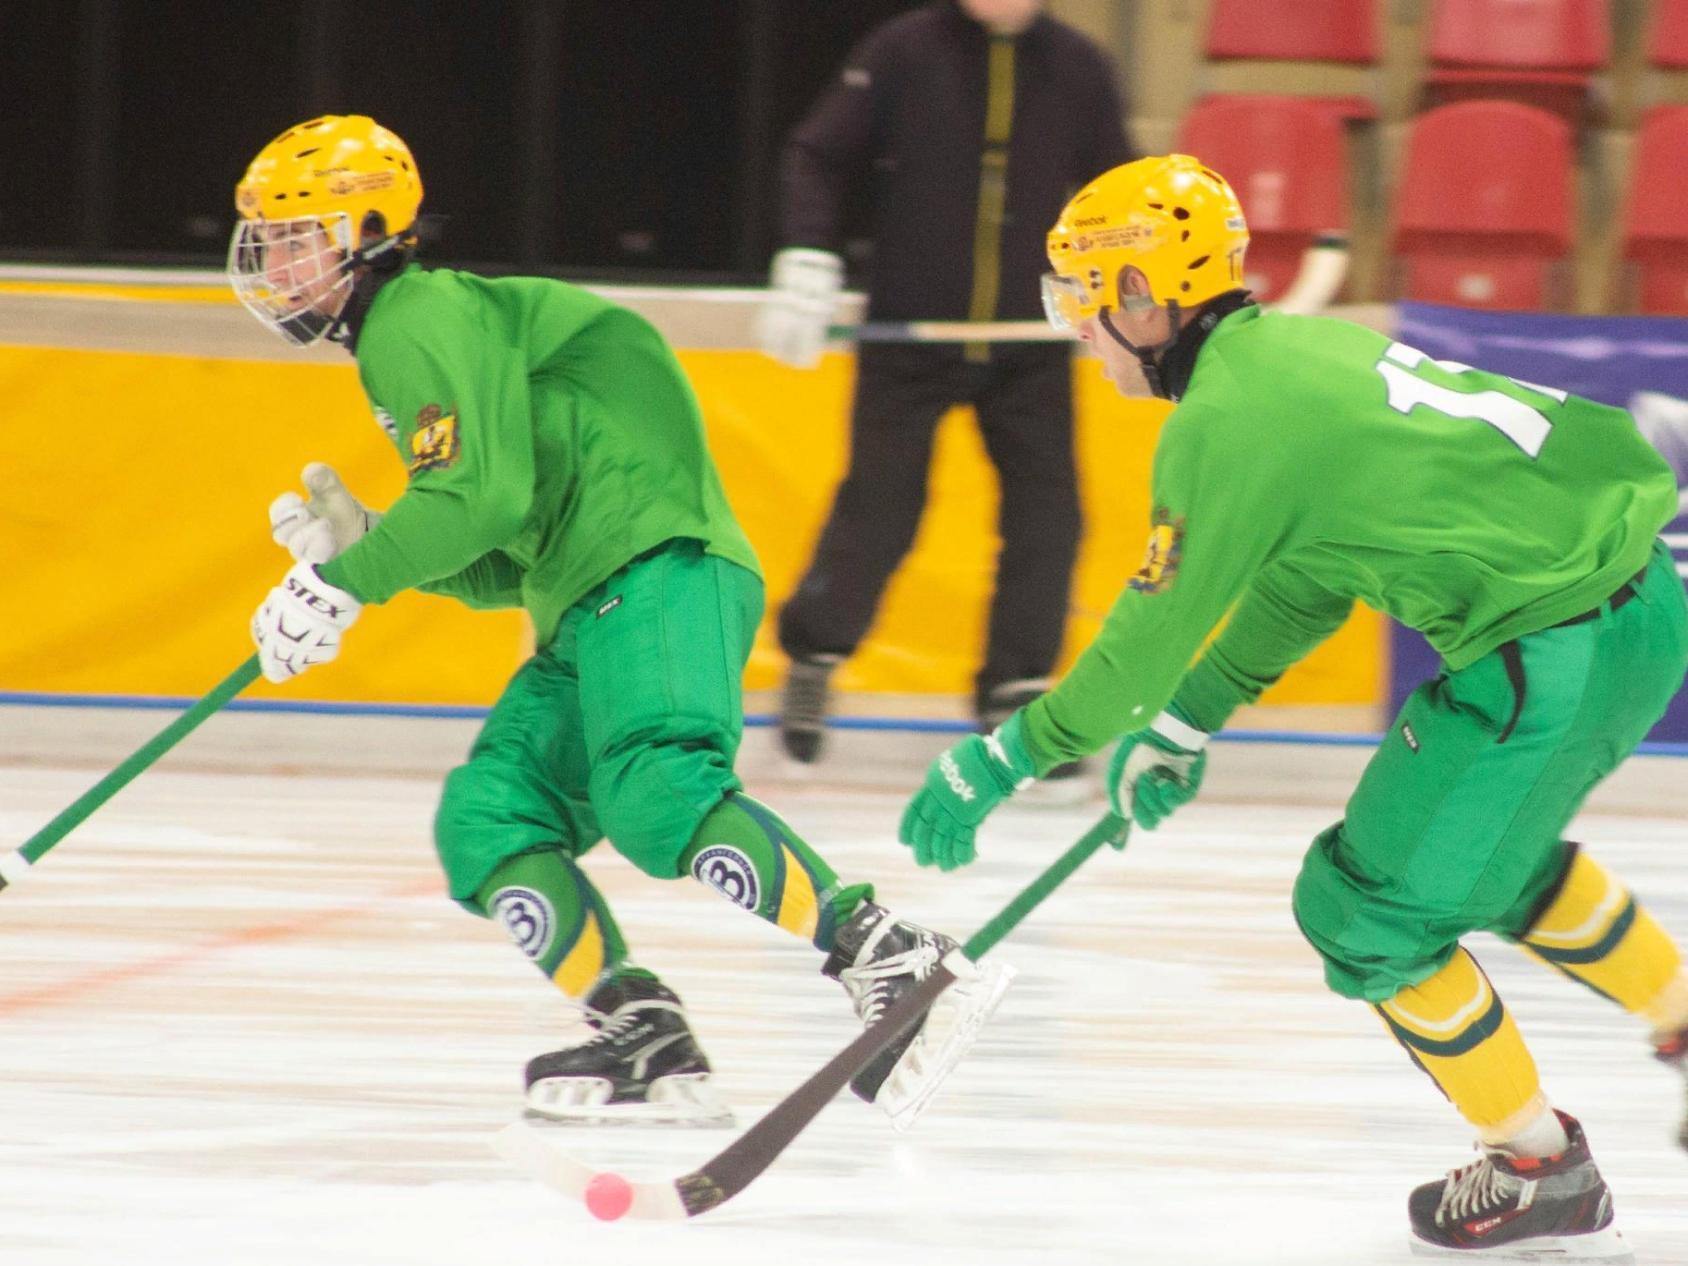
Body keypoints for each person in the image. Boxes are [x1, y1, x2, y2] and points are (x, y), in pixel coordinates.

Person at [897, 154, 1688, 1258]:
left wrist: (1002, 757)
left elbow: (1134, 651)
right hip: (1639, 611)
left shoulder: (1220, 419)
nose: (1072, 322)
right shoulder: (1302, 351)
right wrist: (1187, 722)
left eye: (1080, 293)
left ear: (1142, 294)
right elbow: (1313, 570)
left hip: (1541, 657)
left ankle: (1538, 1170)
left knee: (1362, 913)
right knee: (1483, 860)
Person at [229, 114, 1008, 1129]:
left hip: (656, 571)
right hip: (587, 600)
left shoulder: (412, 318)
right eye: (272, 240)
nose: (276, 263)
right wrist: (367, 544)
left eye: (298, 236)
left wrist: (350, 579)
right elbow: (502, 559)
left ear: (369, 228)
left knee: (654, 794)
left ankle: (883, 950)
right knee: (487, 821)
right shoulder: (427, 330)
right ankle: (640, 1027)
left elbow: (479, 501)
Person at [758, 0, 1134, 774]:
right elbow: (817, 154)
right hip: (910, 331)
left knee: (1049, 515)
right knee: (882, 510)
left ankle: (1018, 691)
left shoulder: (1077, 68)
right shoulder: (902, 50)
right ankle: (816, 653)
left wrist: (1128, 286)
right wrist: (806, 250)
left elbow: (1123, 192)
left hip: (1028, 340)